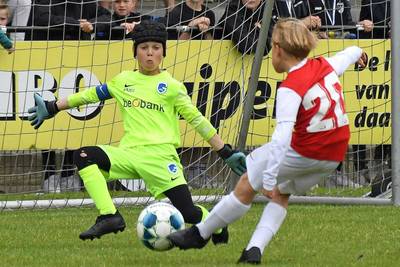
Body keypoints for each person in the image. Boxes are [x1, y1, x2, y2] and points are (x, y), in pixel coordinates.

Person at [167, 18, 368, 264]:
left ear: (278, 49)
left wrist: (269, 178)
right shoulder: (325, 64)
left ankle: (200, 234)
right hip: (333, 155)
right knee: (282, 194)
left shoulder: (290, 87)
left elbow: (282, 137)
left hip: (306, 150)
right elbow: (349, 53)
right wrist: (361, 53)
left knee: (246, 183)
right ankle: (254, 250)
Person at [27, 20, 246, 241]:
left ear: (163, 52)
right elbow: (89, 95)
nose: (150, 53)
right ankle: (109, 216)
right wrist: (53, 106)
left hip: (160, 159)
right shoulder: (123, 81)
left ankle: (217, 225)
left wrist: (224, 152)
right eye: (144, 48)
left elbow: (198, 120)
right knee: (84, 155)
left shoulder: (172, 87)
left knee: (188, 212)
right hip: (129, 155)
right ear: (135, 52)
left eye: (156, 48)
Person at [309, 0, 373, 39]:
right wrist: (316, 34)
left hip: (339, 44)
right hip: (317, 45)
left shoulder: (344, 1)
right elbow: (301, 25)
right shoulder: (307, 2)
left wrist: (360, 25)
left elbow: (347, 24)